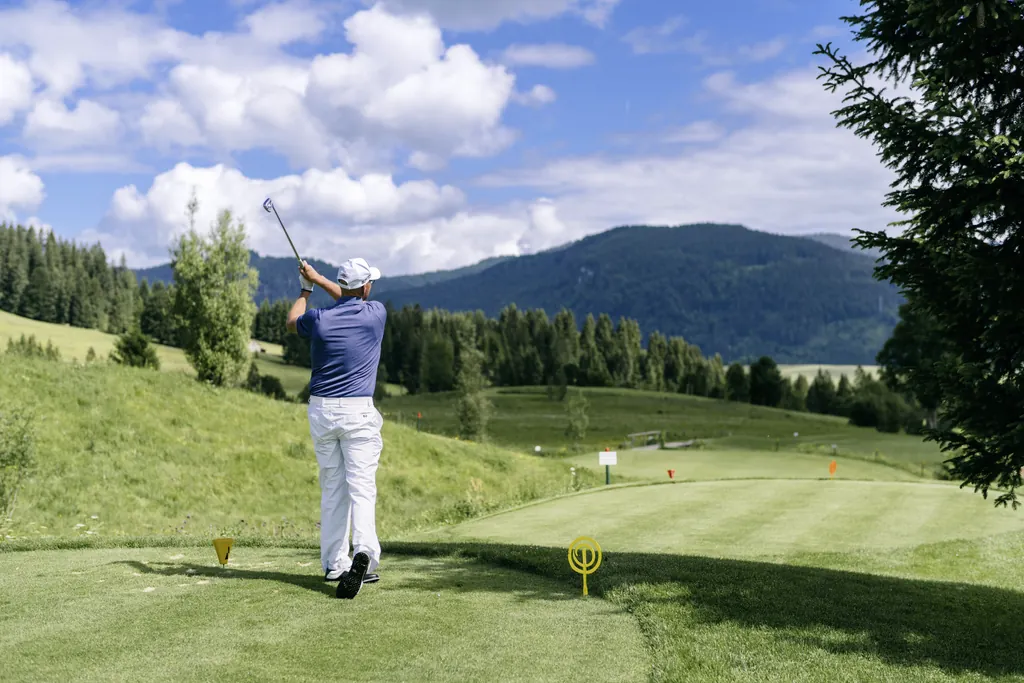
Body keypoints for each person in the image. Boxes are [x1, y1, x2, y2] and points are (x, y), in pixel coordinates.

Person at [286, 256, 387, 600]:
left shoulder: (318, 319)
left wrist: (306, 287)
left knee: (333, 487)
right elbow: (349, 297)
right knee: (361, 486)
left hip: (322, 411)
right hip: (358, 411)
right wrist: (321, 279)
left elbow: (292, 320)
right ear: (366, 287)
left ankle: (334, 563)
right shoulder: (376, 314)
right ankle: (364, 553)